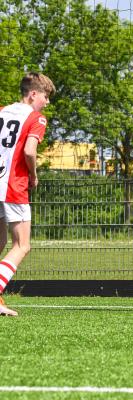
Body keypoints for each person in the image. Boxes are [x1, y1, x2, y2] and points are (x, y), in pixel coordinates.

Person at [0, 72, 55, 317]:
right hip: (13, 185)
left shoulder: (2, 110)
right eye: (46, 96)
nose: (47, 102)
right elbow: (30, 151)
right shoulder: (36, 118)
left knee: (0, 244)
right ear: (33, 94)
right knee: (22, 245)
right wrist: (33, 176)